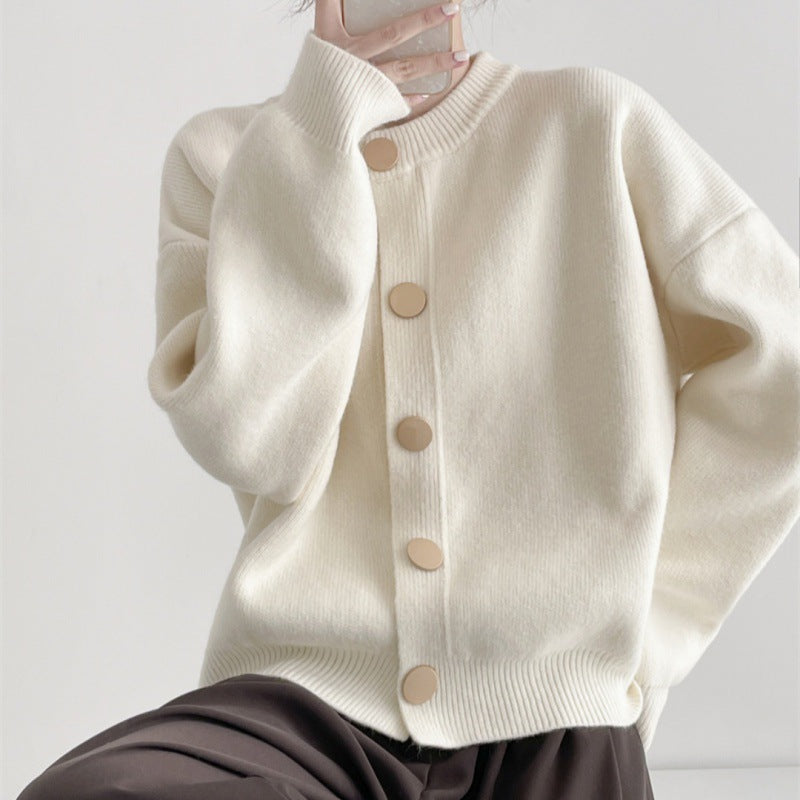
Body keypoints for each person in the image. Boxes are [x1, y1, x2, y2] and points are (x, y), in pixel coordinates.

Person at [17, 0, 800, 796]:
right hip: (305, 707)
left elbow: (784, 368)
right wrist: (318, 135)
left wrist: (650, 632)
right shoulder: (223, 158)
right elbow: (254, 445)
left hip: (557, 716)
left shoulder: (596, 124)